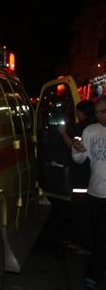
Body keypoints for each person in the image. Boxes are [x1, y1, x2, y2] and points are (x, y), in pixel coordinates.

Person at [71, 96, 106, 290]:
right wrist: (77, 150)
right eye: (97, 112)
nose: (99, 115)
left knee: (102, 237)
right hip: (95, 192)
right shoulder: (90, 131)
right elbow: (79, 158)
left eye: (103, 112)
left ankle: (92, 275)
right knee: (99, 235)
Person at [57, 100, 96, 254]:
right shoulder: (93, 126)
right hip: (89, 176)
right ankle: (78, 241)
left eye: (77, 111)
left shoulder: (83, 128)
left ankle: (82, 244)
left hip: (82, 177)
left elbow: (73, 147)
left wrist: (63, 132)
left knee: (80, 212)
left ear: (82, 112)